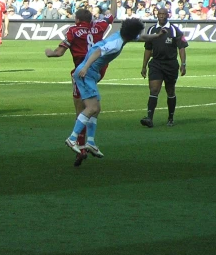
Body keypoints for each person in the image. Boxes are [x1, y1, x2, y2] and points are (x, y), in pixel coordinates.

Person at [66, 18, 163, 158]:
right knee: (92, 108)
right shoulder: (116, 44)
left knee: (96, 109)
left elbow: (142, 37)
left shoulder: (120, 35)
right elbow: (98, 52)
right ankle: (72, 138)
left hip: (90, 73)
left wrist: (157, 35)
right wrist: (86, 67)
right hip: (86, 73)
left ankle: (91, 142)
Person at [45, 0, 117, 166]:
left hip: (82, 73)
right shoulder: (99, 26)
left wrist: (49, 53)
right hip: (98, 71)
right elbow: (113, 14)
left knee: (81, 111)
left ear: (77, 20)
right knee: (94, 108)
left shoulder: (73, 31)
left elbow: (60, 52)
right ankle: (89, 142)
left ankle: (79, 145)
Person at [140, 7, 188, 127]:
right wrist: (144, 66)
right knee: (154, 90)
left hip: (170, 64)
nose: (161, 16)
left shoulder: (175, 30)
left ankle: (170, 117)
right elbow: (148, 49)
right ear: (157, 15)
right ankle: (149, 118)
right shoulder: (152, 29)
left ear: (168, 16)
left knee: (170, 90)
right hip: (156, 63)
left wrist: (183, 64)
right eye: (159, 14)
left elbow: (181, 48)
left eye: (163, 14)